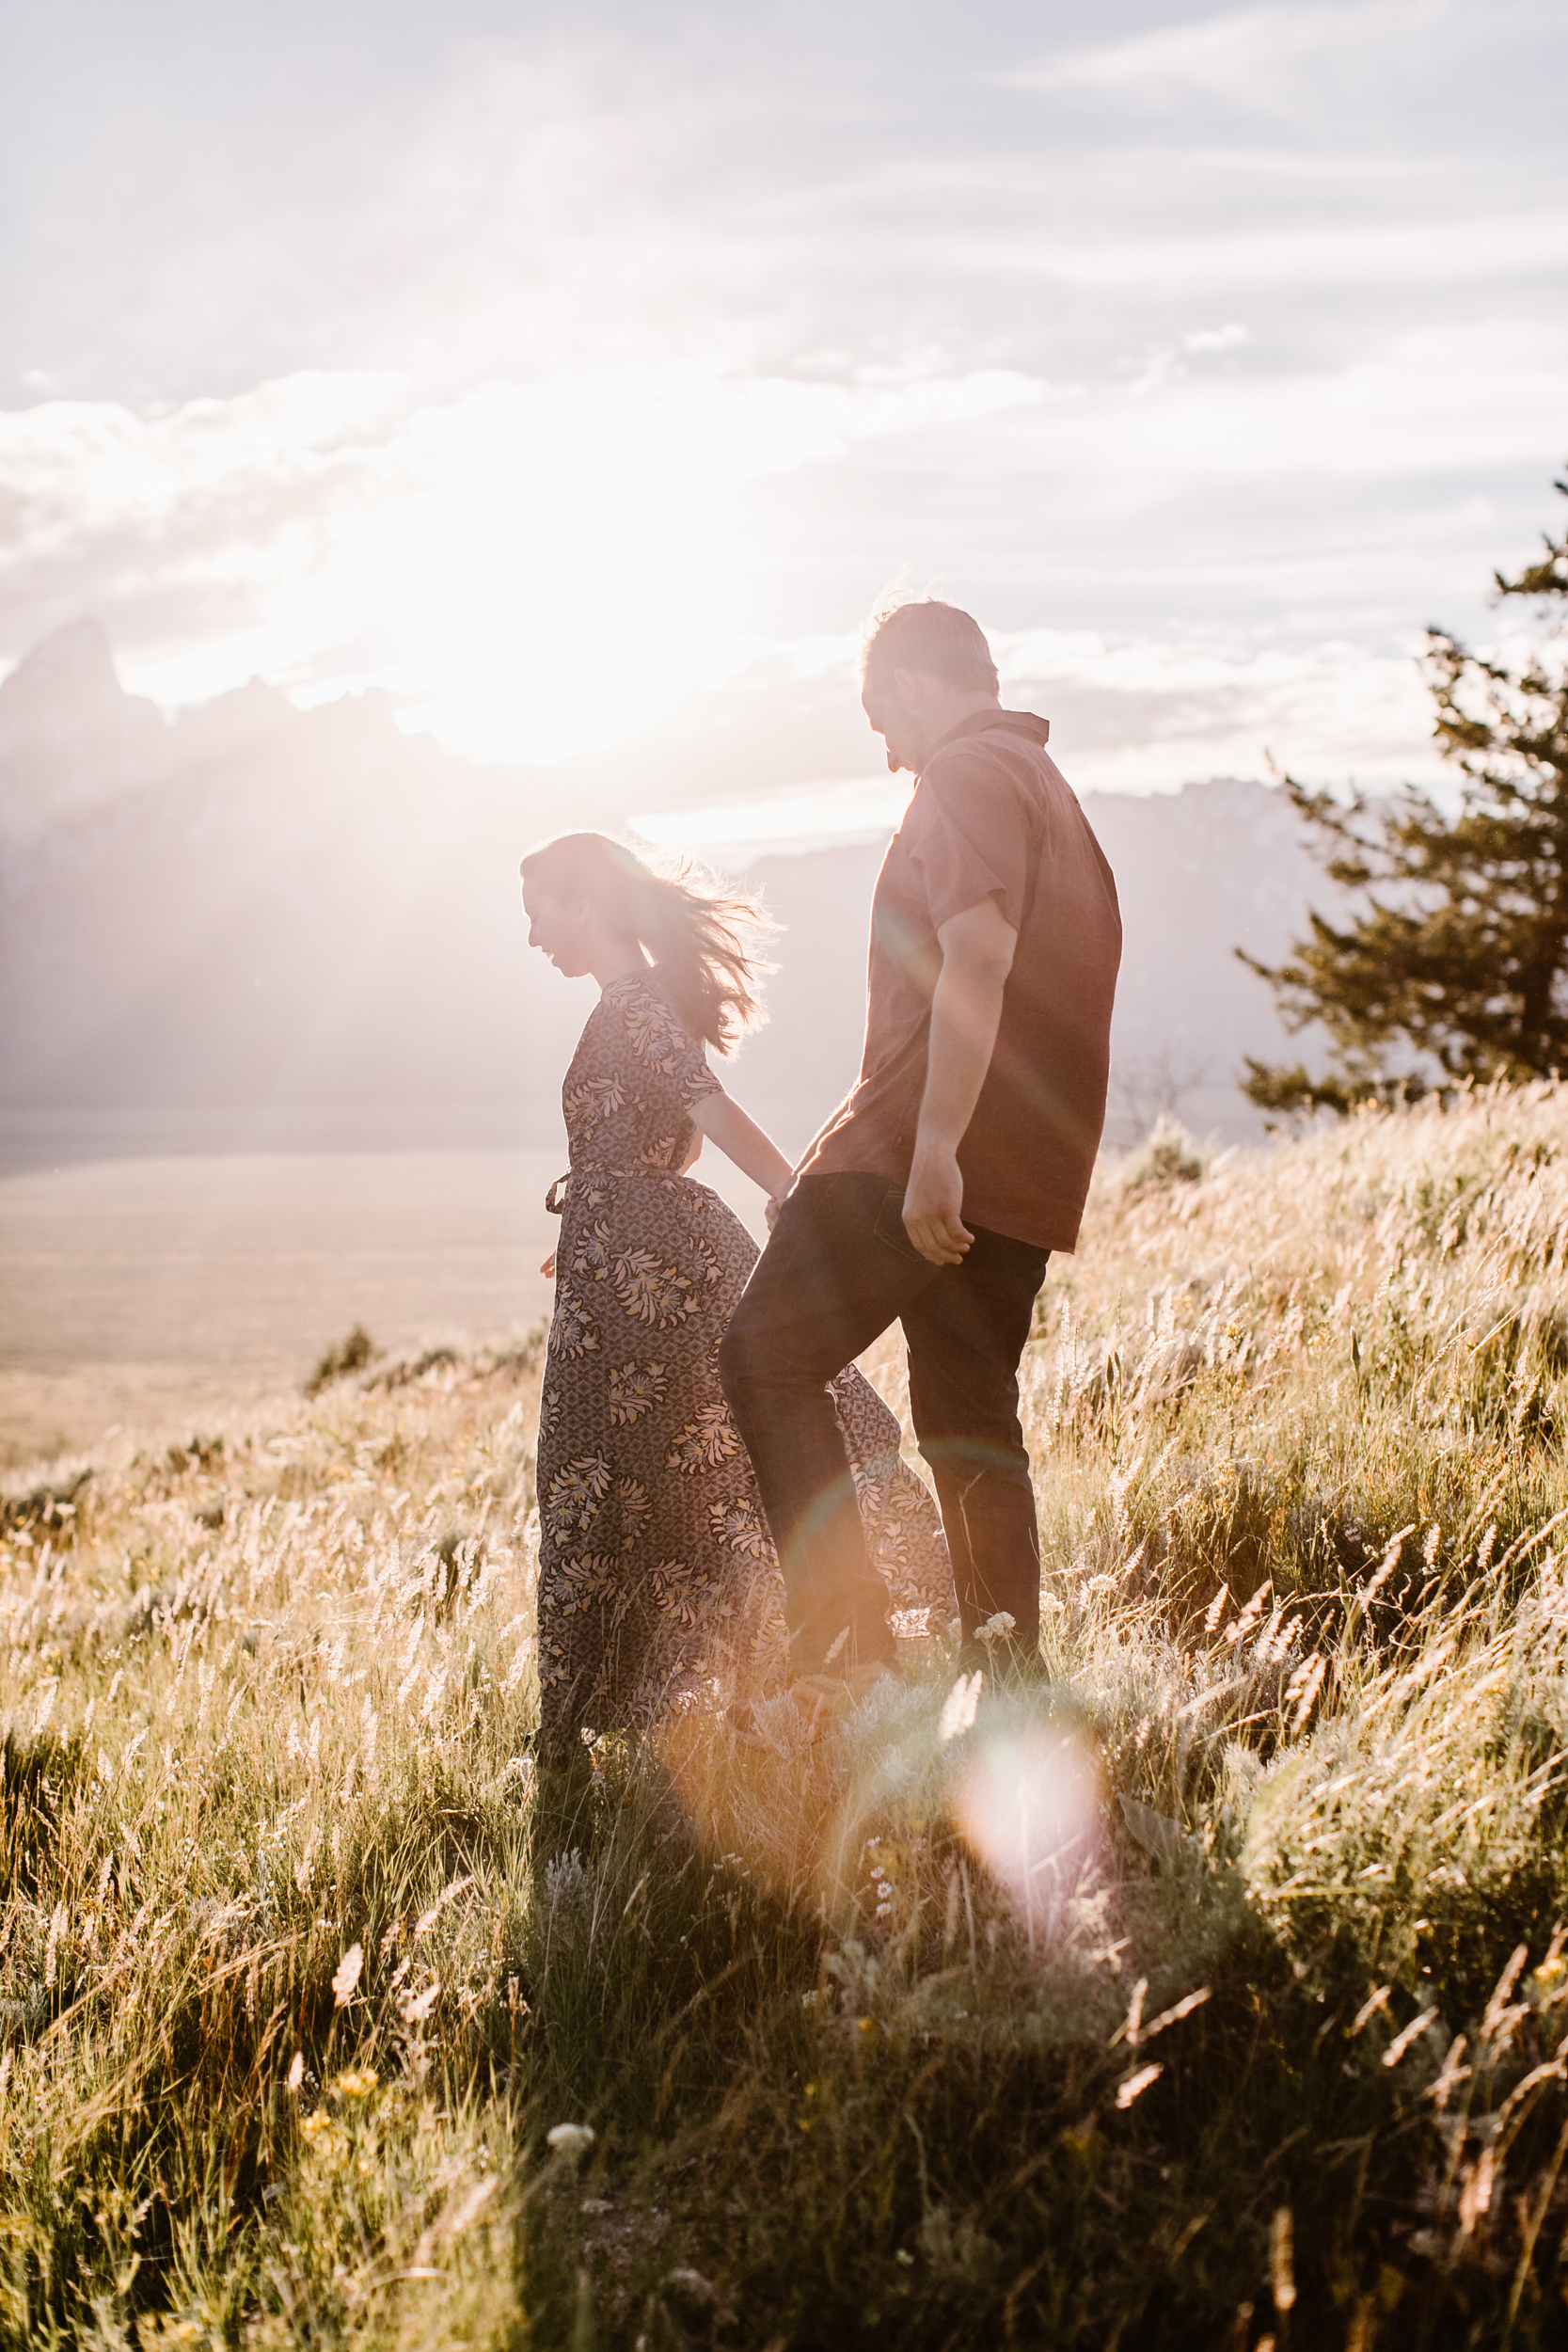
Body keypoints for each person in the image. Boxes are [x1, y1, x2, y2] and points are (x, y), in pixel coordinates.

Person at [720, 598, 1121, 1700]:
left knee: (763, 1354)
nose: (882, 751)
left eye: (874, 717)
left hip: (915, 1155)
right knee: (964, 1420)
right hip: (1023, 1171)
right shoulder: (1052, 793)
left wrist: (933, 1146)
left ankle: (850, 1655)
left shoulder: (964, 777)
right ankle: (1004, 1672)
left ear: (907, 685)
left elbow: (976, 960)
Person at [520, 831, 953, 1765]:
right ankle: (714, 1684)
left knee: (626, 1477)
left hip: (649, 1282)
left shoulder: (633, 1003)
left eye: (539, 911)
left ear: (585, 907)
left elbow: (707, 1108)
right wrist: (595, 1216)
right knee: (661, 1472)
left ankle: (789, 1668)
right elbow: (656, 1131)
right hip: (622, 1269)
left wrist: (796, 1195)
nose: (531, 936)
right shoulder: (628, 1002)